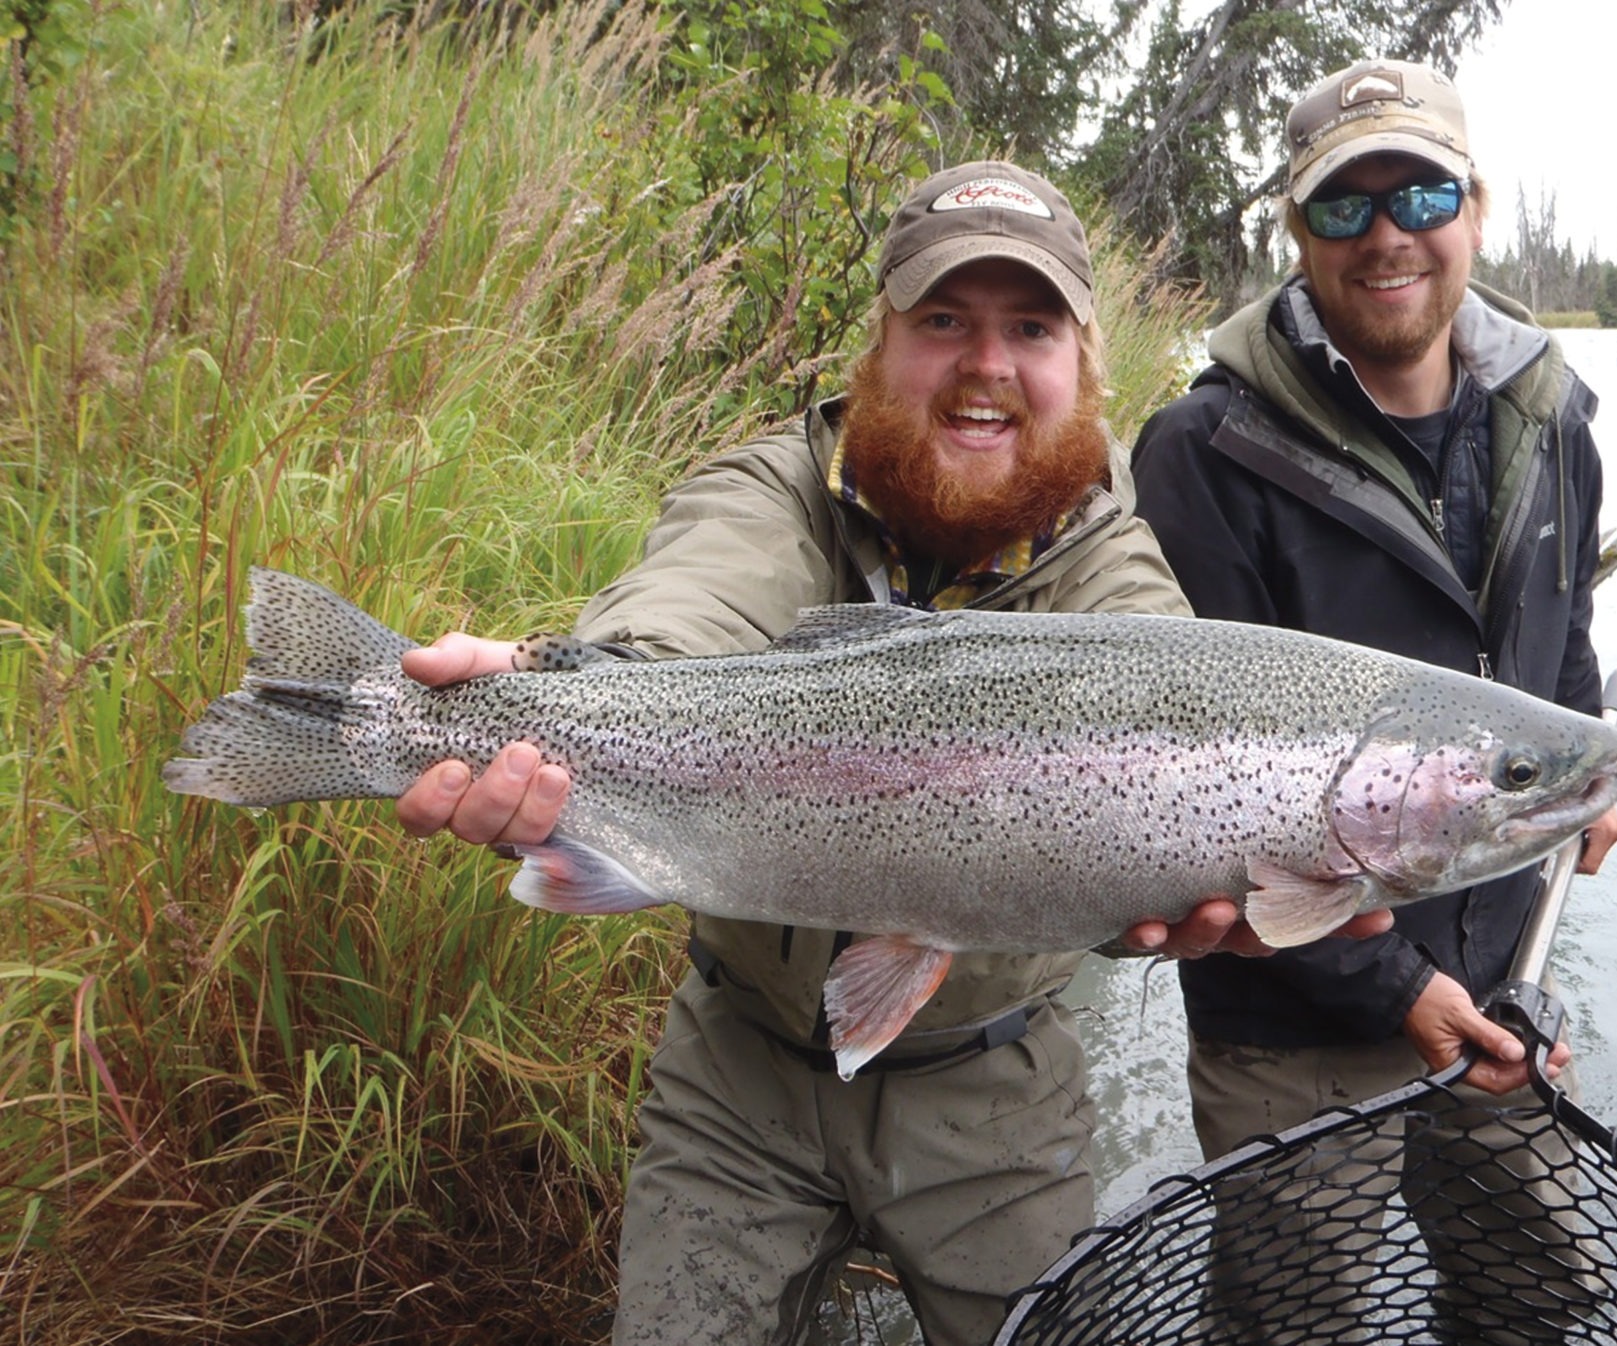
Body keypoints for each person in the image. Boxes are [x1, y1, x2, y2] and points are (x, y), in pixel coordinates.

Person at [388, 160, 1390, 1346]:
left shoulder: (1111, 564)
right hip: (736, 1072)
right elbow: (689, 599)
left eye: (1028, 326)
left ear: (1081, 364)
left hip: (995, 1091)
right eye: (942, 322)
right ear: (882, 343)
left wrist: (1188, 873)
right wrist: (572, 692)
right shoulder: (775, 483)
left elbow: (1162, 682)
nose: (985, 364)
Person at [1128, 58, 1617, 1342]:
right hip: (1286, 1002)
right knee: (1295, 1319)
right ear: (1296, 233)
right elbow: (1193, 781)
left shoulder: (1551, 415)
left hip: (1496, 972)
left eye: (1418, 192)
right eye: (1342, 207)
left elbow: (1557, 639)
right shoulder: (1201, 449)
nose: (1387, 235)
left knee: (1538, 1291)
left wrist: (1580, 781)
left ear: (1474, 205)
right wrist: (1396, 987)